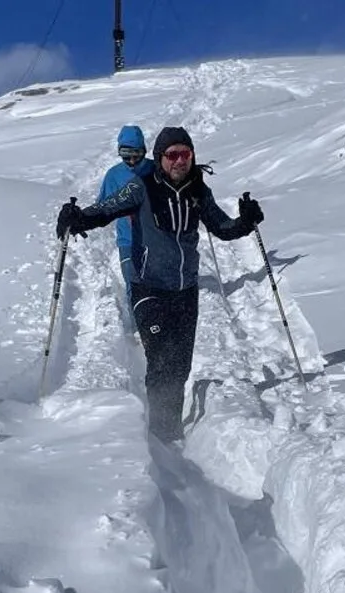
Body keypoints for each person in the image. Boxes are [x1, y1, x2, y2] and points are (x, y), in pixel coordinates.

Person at [55, 126, 265, 444]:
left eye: (186, 154)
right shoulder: (141, 187)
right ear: (160, 158)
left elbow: (222, 227)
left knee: (179, 367)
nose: (179, 161)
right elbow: (106, 208)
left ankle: (172, 433)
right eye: (172, 155)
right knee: (162, 360)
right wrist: (78, 217)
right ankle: (159, 434)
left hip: (185, 289)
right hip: (148, 286)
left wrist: (246, 222)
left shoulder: (198, 191)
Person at [97, 125, 155, 304]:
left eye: (136, 154)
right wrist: (79, 218)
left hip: (155, 240)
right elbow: (102, 208)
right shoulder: (113, 175)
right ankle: (138, 329)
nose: (131, 160)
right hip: (128, 241)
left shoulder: (156, 169)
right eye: (125, 154)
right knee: (134, 286)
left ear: (144, 151)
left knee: (157, 286)